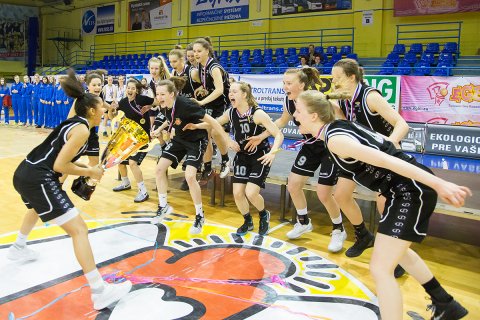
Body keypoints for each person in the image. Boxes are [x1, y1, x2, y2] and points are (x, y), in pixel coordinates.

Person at [293, 89, 470, 320]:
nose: (295, 116)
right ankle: (445, 304)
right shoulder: (337, 126)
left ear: (314, 116)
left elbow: (390, 160)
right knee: (399, 253)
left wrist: (439, 184)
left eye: (298, 111)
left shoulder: (336, 140)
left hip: (410, 190)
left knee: (380, 268)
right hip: (400, 190)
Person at [7, 70, 132, 310]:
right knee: (79, 230)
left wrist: (84, 168)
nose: (105, 110)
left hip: (26, 172)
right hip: (38, 177)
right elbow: (59, 165)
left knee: (39, 209)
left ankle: (18, 247)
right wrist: (89, 172)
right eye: (102, 108)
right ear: (93, 111)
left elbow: (61, 161)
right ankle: (99, 291)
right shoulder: (83, 129)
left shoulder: (76, 121)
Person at [246, 68, 348, 253]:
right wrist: (262, 135)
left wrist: (339, 140)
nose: (285, 86)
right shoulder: (288, 100)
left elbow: (341, 118)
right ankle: (303, 222)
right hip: (310, 146)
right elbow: (282, 121)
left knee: (324, 193)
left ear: (301, 85)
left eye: (289, 83)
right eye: (283, 83)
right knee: (293, 184)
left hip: (329, 146)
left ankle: (338, 229)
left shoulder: (317, 99)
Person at [331, 58, 410, 258]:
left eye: (338, 78)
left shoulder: (370, 97)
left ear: (352, 77)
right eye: (333, 78)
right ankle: (363, 236)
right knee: (340, 195)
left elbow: (402, 125)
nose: (334, 82)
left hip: (384, 153)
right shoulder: (341, 98)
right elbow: (345, 125)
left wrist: (388, 147)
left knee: (385, 205)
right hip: (361, 154)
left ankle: (396, 254)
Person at [150, 77, 228, 234]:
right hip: (179, 139)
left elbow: (213, 122)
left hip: (196, 141)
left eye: (162, 94)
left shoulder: (187, 105)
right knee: (159, 170)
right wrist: (159, 130)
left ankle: (200, 216)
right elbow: (170, 118)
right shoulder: (164, 105)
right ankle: (163, 206)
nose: (159, 97)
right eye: (157, 94)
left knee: (190, 177)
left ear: (172, 94)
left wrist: (227, 140)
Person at [215, 81, 284, 236]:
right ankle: (247, 221)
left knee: (251, 192)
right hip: (242, 156)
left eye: (234, 92)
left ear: (244, 94)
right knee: (238, 193)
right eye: (229, 92)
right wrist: (228, 140)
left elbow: (278, 134)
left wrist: (272, 153)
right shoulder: (231, 112)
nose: (230, 94)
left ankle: (263, 215)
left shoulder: (257, 113)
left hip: (260, 156)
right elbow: (215, 124)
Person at [108, 78, 161, 203]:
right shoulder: (123, 102)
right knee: (119, 158)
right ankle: (126, 183)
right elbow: (112, 117)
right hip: (129, 138)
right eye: (128, 87)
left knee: (132, 163)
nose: (130, 90)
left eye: (133, 88)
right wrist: (111, 109)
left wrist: (149, 106)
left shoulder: (142, 99)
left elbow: (159, 102)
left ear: (136, 90)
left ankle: (143, 191)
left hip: (143, 138)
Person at [191, 37, 231, 183]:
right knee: (204, 132)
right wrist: (203, 88)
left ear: (207, 51)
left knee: (214, 131)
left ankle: (226, 160)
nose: (196, 54)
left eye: (199, 51)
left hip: (223, 103)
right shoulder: (201, 65)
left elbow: (220, 90)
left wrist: (201, 101)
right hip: (212, 103)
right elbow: (211, 86)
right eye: (194, 51)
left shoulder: (214, 67)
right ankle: (207, 167)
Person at [169, 48, 203, 191]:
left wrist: (202, 88)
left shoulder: (192, 72)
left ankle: (197, 171)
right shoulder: (173, 73)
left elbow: (208, 84)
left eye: (174, 61)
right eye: (170, 61)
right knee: (182, 138)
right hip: (182, 110)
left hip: (195, 108)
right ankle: (187, 171)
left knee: (196, 140)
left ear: (182, 60)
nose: (172, 64)